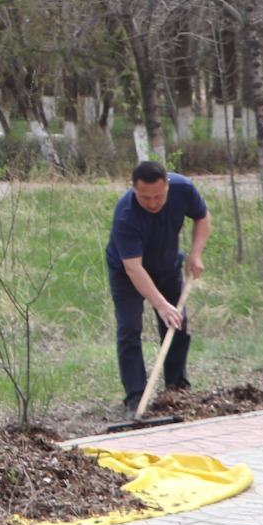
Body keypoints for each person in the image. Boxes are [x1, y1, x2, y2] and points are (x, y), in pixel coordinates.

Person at [105, 159, 211, 414]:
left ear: (168, 186)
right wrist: (161, 305)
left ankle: (176, 389)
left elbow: (202, 217)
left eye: (158, 196)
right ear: (134, 190)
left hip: (167, 266)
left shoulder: (183, 188)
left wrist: (196, 254)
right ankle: (136, 397)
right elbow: (134, 268)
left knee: (177, 323)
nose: (152, 203)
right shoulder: (126, 214)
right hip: (128, 273)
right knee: (130, 328)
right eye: (145, 197)